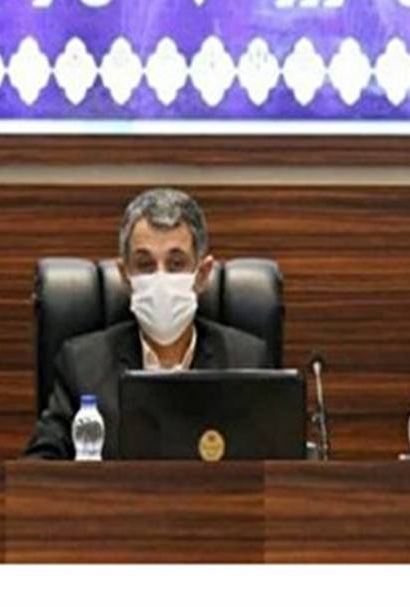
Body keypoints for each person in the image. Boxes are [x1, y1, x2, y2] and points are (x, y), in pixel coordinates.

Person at [23, 187, 270, 459]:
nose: (160, 278)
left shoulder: (247, 362)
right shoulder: (82, 366)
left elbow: (276, 465)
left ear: (202, 274)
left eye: (176, 264)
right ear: (125, 275)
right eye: (145, 265)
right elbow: (39, 465)